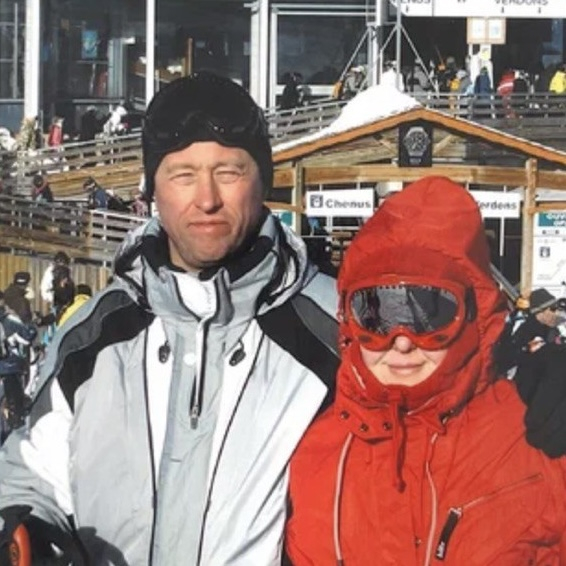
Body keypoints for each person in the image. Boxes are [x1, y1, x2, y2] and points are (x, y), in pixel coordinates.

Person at [0, 71, 339, 565]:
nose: (207, 199)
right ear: (153, 187)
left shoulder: (335, 330)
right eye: (183, 175)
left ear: (263, 179)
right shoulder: (95, 337)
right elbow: (34, 476)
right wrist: (27, 530)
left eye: (228, 172)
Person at [285, 176, 566, 564]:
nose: (401, 342)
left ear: (473, 316)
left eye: (431, 313)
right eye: (377, 315)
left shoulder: (536, 435)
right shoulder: (314, 449)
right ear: (349, 323)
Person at [0, 291, 37, 434]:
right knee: (14, 404)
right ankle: (13, 428)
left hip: (8, 367)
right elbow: (29, 334)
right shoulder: (10, 319)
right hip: (10, 367)